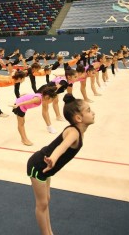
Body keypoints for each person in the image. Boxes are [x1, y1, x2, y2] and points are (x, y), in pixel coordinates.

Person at [27, 94, 95, 235]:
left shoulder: (78, 131)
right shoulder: (74, 133)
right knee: (42, 204)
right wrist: (53, 158)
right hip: (39, 166)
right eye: (88, 110)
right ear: (78, 118)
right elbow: (62, 147)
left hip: (47, 167)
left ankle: (49, 232)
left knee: (46, 200)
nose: (93, 112)